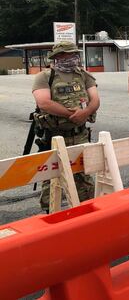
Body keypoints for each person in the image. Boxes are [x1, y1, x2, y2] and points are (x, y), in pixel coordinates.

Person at [32, 41, 99, 212]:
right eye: (69, 54)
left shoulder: (83, 75)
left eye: (74, 54)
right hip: (55, 137)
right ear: (58, 56)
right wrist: (72, 115)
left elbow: (95, 100)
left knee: (83, 177)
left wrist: (86, 112)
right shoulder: (45, 77)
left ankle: (86, 213)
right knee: (51, 178)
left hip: (80, 135)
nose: (73, 58)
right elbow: (44, 103)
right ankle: (51, 214)